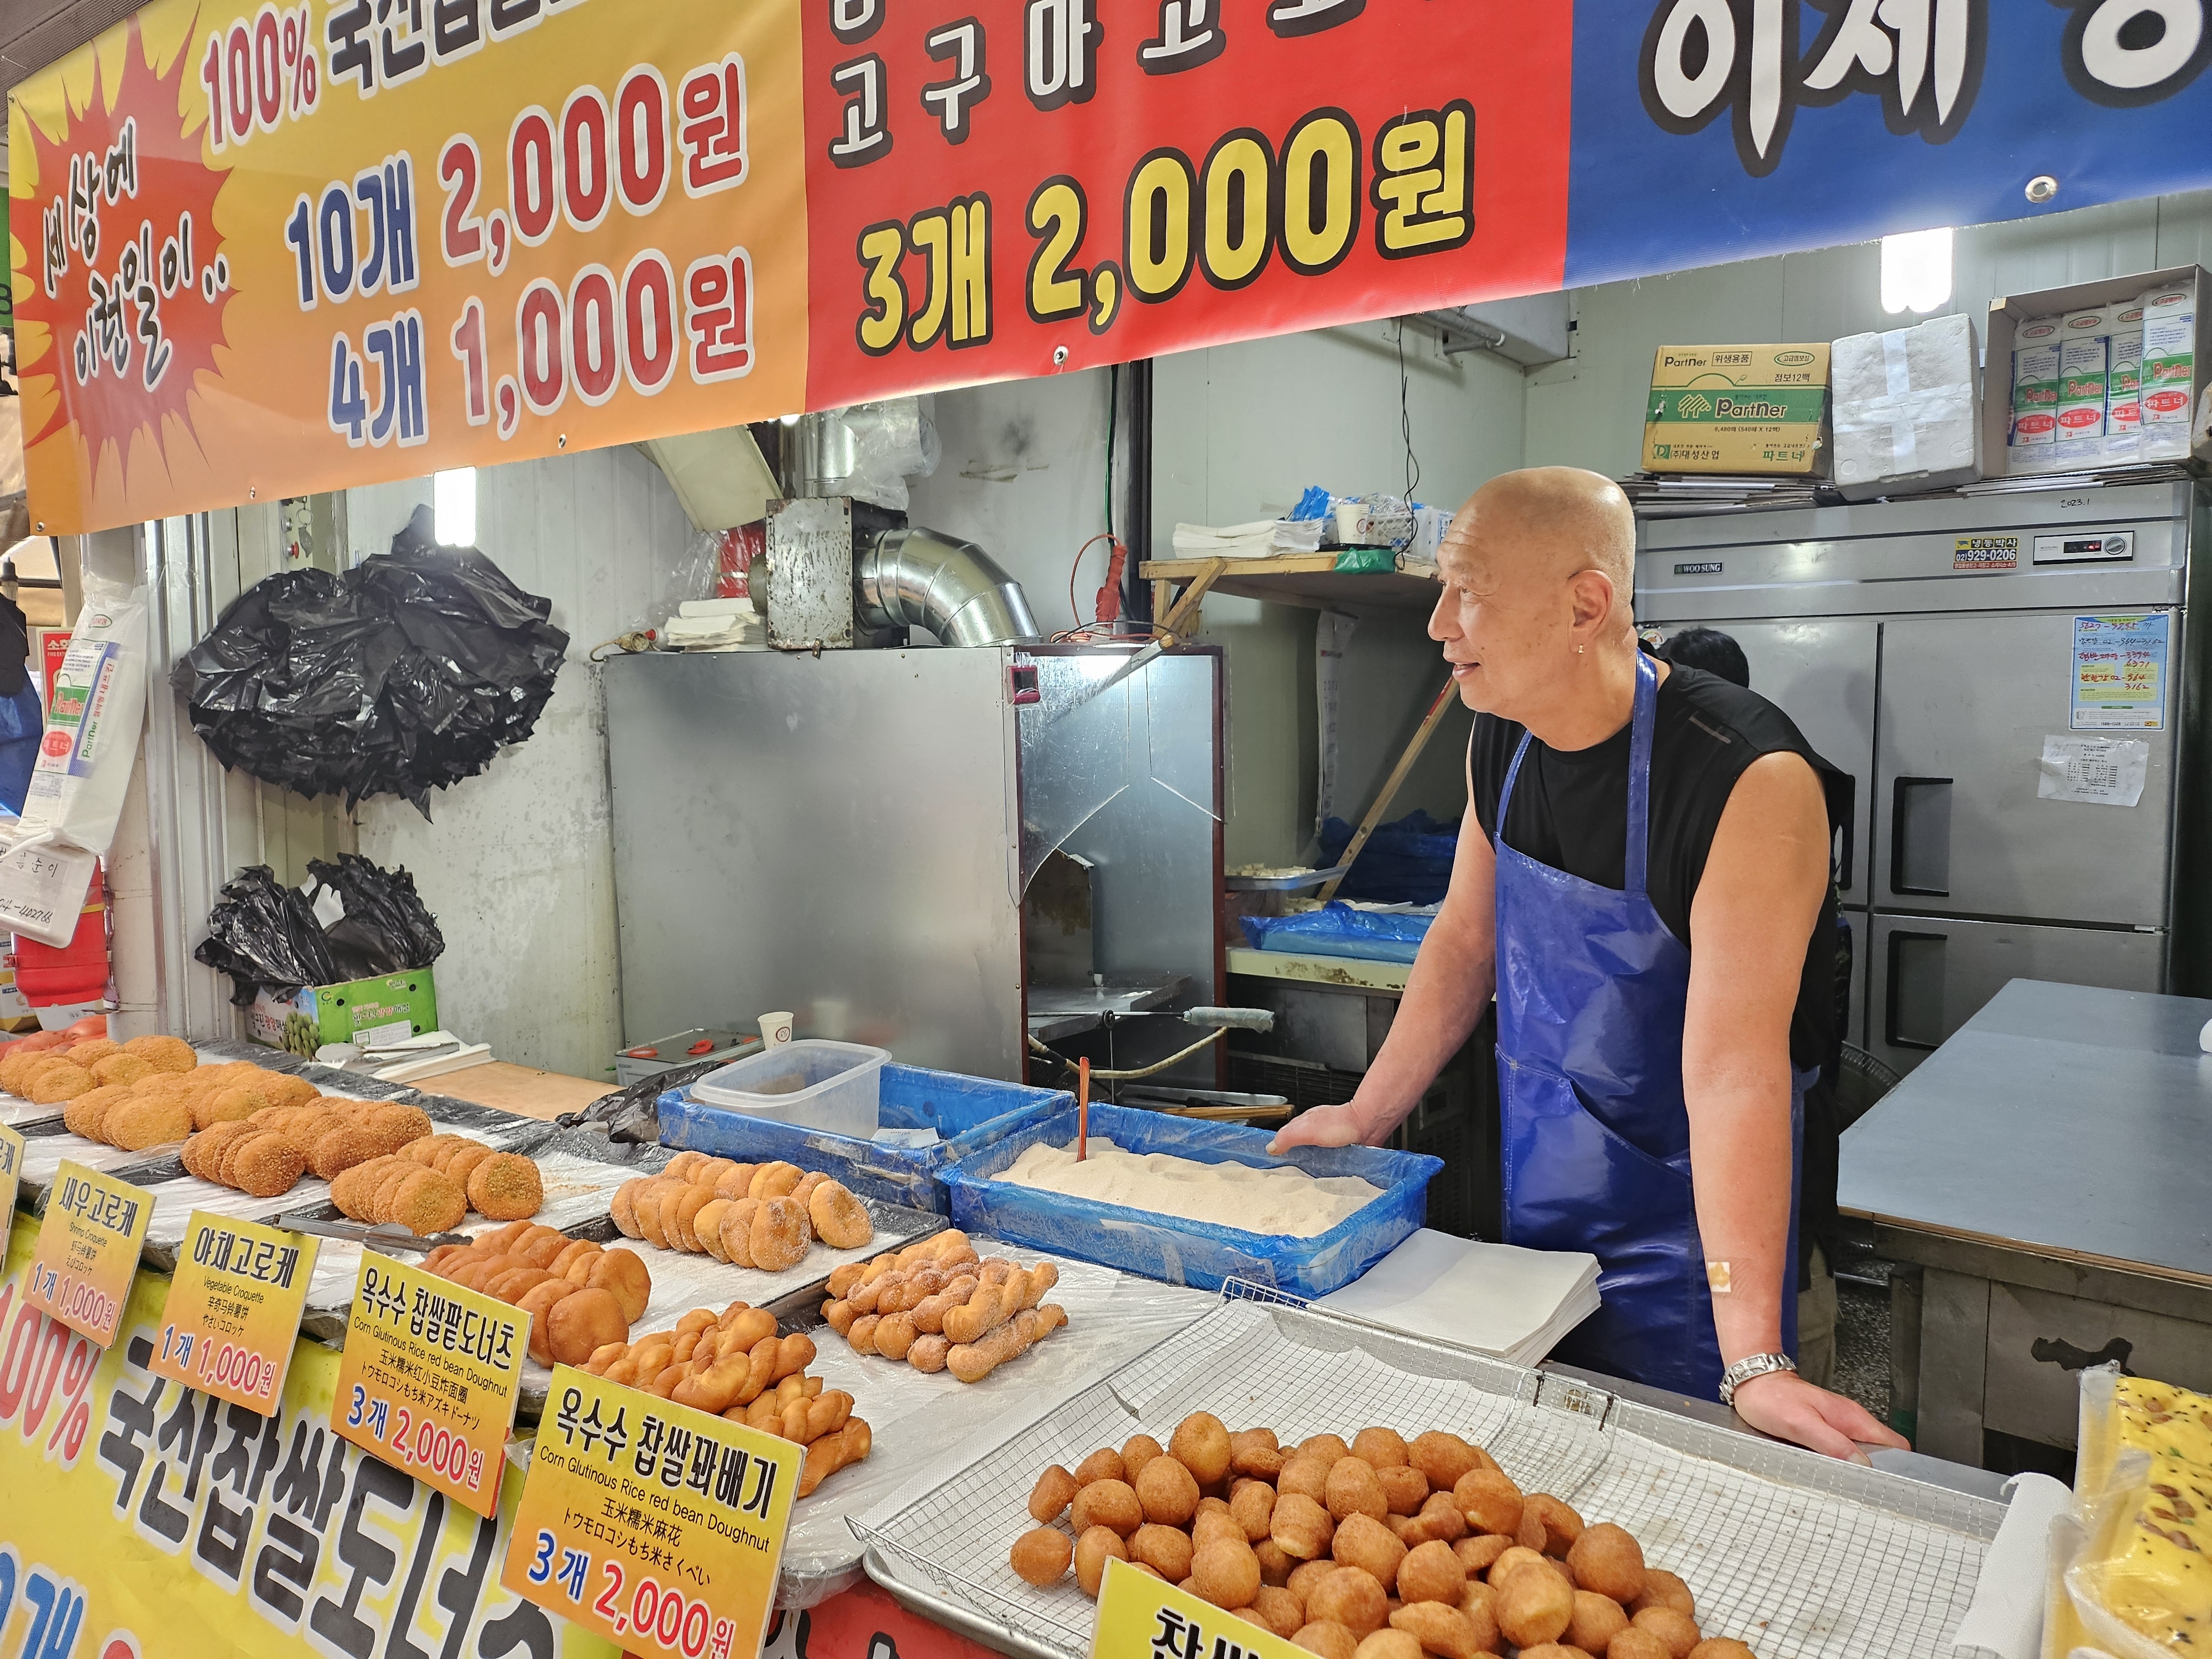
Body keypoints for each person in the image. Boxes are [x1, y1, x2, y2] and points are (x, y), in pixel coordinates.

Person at [1273, 467, 1903, 1463]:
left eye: (1467, 590)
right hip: (1552, 1229)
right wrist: (1366, 1114)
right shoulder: (1499, 741)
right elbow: (1465, 941)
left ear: (1585, 604)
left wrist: (1755, 1359)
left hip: (1718, 1245)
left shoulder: (1748, 777)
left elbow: (1734, 1068)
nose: (1440, 624)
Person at [1652, 623, 1848, 1391]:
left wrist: (1758, 1359)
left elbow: (1740, 1067)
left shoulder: (1763, 786)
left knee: (1791, 1320)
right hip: (1661, 1151)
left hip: (1773, 1116)